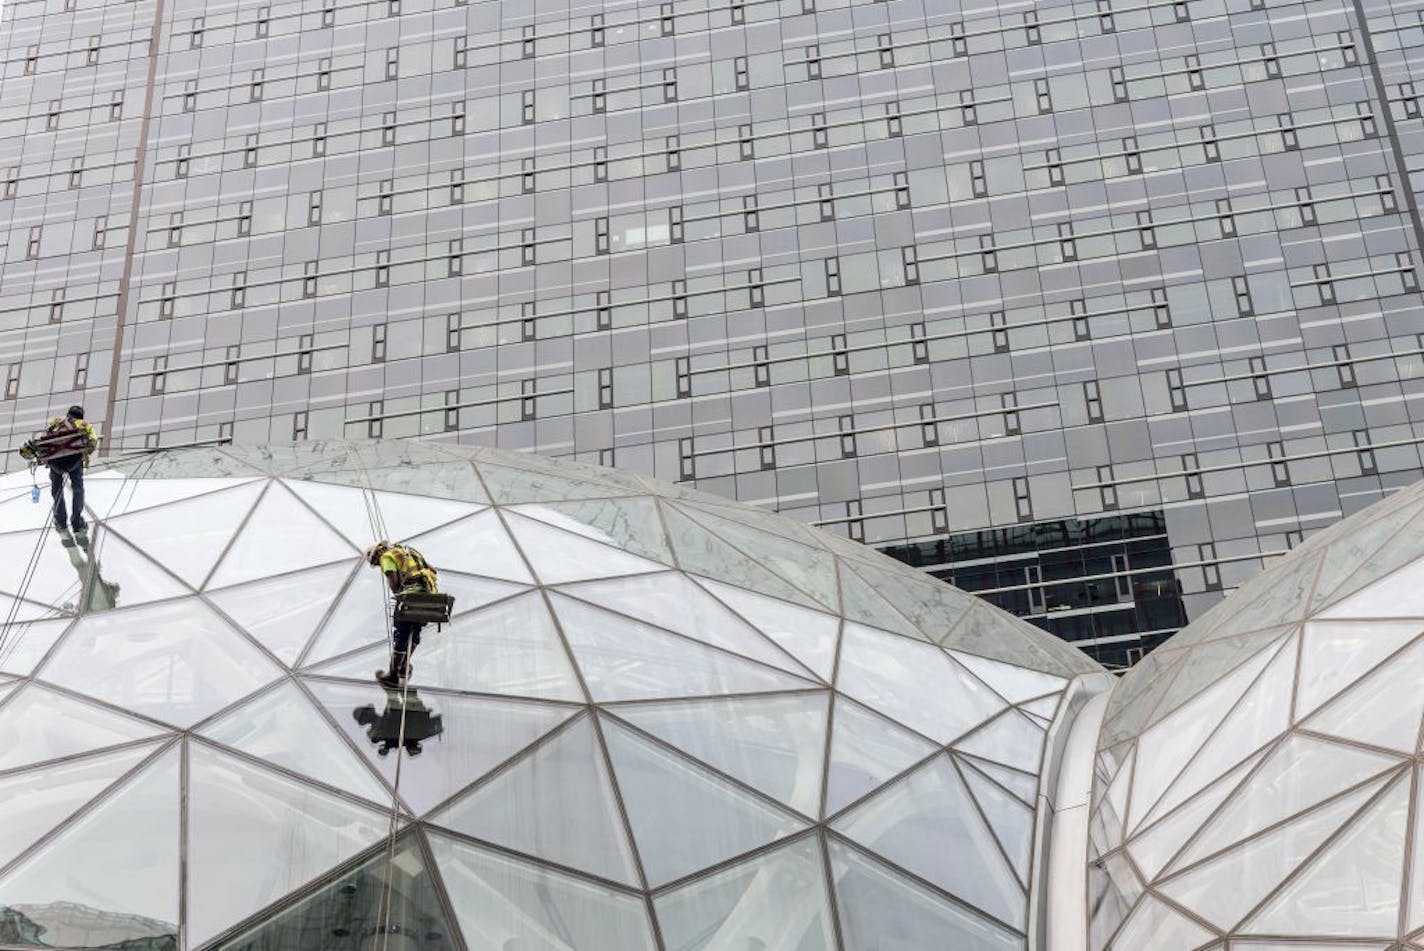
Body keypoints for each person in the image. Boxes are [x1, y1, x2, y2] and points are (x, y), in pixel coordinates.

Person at [365, 540, 438, 688]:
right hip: (428, 597)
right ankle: (404, 666)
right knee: (415, 632)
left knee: (402, 633)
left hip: (410, 597)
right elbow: (433, 570)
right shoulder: (410, 552)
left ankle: (392, 675)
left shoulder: (386, 556)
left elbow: (393, 579)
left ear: (378, 552)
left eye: (376, 562)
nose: (379, 564)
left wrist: (397, 592)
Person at [40, 406, 99, 536]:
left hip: (55, 464)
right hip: (74, 463)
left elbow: (44, 441)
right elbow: (93, 442)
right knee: (78, 490)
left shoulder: (54, 424)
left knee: (56, 491)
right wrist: (84, 452)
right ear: (81, 417)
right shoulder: (85, 425)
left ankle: (60, 521)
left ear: (67, 414)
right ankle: (77, 522)